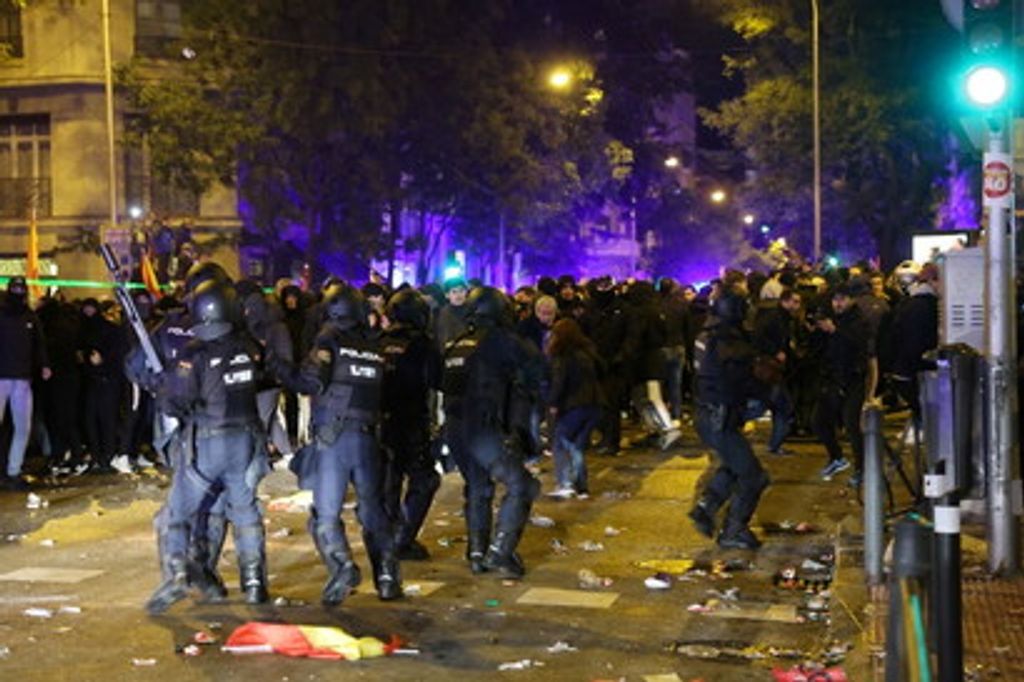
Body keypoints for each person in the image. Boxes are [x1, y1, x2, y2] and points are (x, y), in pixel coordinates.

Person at [145, 280, 269, 614]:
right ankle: (255, 582)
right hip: (245, 441)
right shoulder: (247, 347)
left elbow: (176, 404)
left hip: (209, 441)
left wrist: (161, 385)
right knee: (245, 512)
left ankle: (177, 575)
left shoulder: (194, 353)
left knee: (178, 512)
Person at [281, 283, 402, 606]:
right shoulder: (374, 347)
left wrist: (281, 370)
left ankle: (343, 567)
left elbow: (310, 381)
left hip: (334, 439)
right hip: (367, 438)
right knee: (372, 510)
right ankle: (387, 577)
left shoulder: (328, 340)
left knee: (325, 513)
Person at [441, 286, 544, 578]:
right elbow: (537, 369)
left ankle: (476, 553)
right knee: (522, 485)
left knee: (478, 486)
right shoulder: (500, 340)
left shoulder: (458, 342)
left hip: (455, 428)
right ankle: (500, 552)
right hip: (483, 427)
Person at [688, 289, 768, 550]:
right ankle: (734, 529)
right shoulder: (730, 344)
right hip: (720, 417)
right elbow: (741, 382)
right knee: (754, 476)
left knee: (735, 466)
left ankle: (707, 506)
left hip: (707, 413)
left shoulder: (706, 336)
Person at [379, 289, 442, 560]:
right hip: (412, 420)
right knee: (425, 479)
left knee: (389, 481)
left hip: (382, 421)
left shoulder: (379, 341)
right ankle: (403, 539)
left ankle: (387, 537)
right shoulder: (423, 344)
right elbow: (438, 379)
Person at [813, 283, 872, 483]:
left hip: (852, 379)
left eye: (842, 299)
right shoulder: (833, 318)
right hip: (832, 378)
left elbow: (856, 344)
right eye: (835, 299)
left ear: (851, 299)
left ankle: (862, 469)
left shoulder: (858, 319)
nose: (838, 303)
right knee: (819, 421)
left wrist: (835, 331)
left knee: (851, 425)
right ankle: (837, 457)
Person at [0, 277, 51, 488]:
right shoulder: (16, 314)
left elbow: (39, 343)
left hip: (20, 379)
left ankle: (13, 470)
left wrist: (44, 364)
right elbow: (39, 344)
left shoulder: (29, 316)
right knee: (21, 428)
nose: (19, 292)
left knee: (23, 428)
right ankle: (12, 471)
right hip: (7, 378)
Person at [546, 318, 604, 499]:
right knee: (577, 446)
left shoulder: (562, 356)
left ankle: (566, 483)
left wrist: (552, 403)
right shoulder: (587, 351)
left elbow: (559, 382)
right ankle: (581, 487)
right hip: (594, 403)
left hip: (573, 405)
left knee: (560, 443)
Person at [752, 288, 802, 455]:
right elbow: (759, 338)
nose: (797, 306)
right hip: (771, 368)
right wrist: (775, 351)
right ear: (784, 301)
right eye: (794, 302)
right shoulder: (775, 318)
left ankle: (776, 443)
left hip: (776, 369)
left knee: (778, 405)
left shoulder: (783, 318)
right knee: (780, 405)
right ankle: (775, 444)